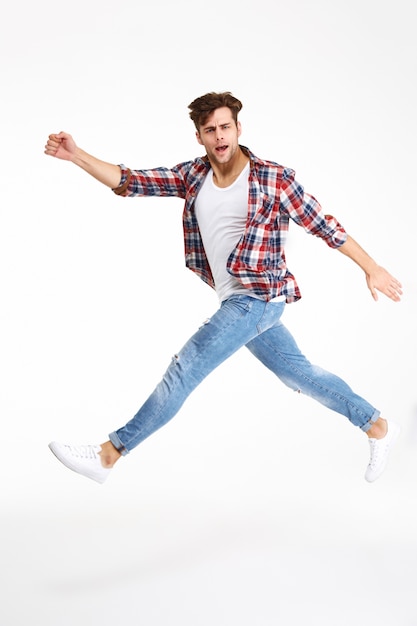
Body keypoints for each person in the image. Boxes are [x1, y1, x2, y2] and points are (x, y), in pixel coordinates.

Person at [44, 91, 402, 485]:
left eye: (225, 127)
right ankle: (376, 425)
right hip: (236, 298)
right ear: (199, 136)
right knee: (300, 375)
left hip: (258, 298)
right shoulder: (194, 175)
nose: (219, 136)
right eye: (210, 129)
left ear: (238, 129)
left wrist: (372, 267)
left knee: (185, 368)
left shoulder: (272, 178)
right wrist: (77, 156)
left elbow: (324, 225)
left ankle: (108, 454)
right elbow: (133, 181)